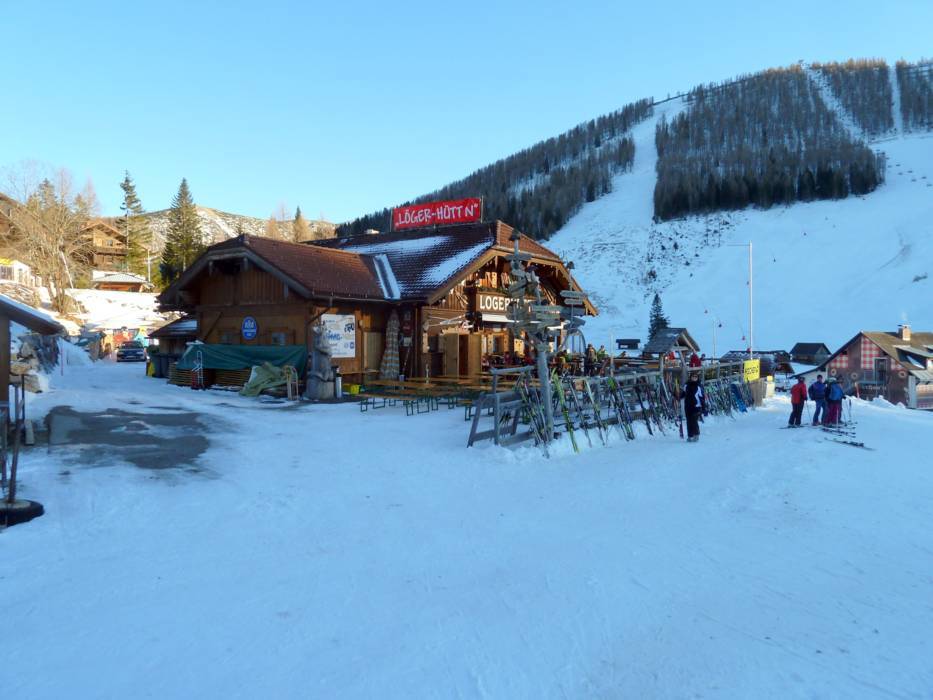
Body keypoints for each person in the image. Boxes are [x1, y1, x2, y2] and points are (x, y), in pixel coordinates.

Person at [682, 372, 706, 442]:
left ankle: (696, 434)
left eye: (696, 377)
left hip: (696, 406)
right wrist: (677, 395)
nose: (694, 378)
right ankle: (690, 436)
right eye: (693, 376)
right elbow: (683, 394)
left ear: (697, 378)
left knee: (694, 421)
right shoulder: (686, 385)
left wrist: (703, 408)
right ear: (690, 377)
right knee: (689, 421)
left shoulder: (699, 386)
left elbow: (702, 397)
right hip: (688, 406)